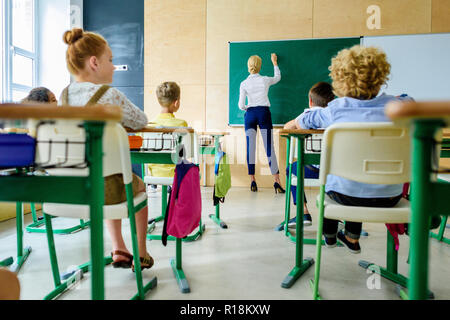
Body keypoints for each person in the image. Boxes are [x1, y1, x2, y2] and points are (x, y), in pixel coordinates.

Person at [294, 45, 412, 254]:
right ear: (381, 76)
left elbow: (304, 120)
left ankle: (330, 236)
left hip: (344, 196)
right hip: (389, 197)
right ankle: (351, 238)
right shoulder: (398, 107)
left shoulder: (335, 110)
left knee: (341, 183)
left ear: (340, 79)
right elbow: (410, 101)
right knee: (359, 178)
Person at [61, 28, 153, 270]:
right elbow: (141, 120)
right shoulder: (110, 95)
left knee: (111, 177)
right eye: (110, 60)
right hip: (105, 189)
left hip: (71, 187)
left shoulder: (64, 96)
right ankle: (141, 253)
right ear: (94, 62)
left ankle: (119, 248)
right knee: (134, 186)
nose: (113, 67)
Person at [284, 81, 335, 227]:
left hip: (311, 170)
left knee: (291, 169)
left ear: (310, 101)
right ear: (332, 101)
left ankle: (303, 212)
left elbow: (287, 127)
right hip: (334, 171)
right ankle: (342, 217)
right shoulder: (336, 116)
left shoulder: (307, 115)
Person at [238, 53, 285, 193]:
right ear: (259, 66)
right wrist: (275, 62)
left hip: (250, 114)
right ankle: (277, 181)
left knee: (250, 147)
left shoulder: (244, 83)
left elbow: (240, 105)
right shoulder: (264, 80)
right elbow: (278, 78)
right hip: (264, 113)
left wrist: (249, 109)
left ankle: (252, 181)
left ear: (248, 67)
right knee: (269, 147)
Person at [147, 81, 188, 193]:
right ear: (176, 103)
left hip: (154, 174)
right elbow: (186, 152)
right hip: (176, 173)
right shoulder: (181, 124)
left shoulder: (148, 126)